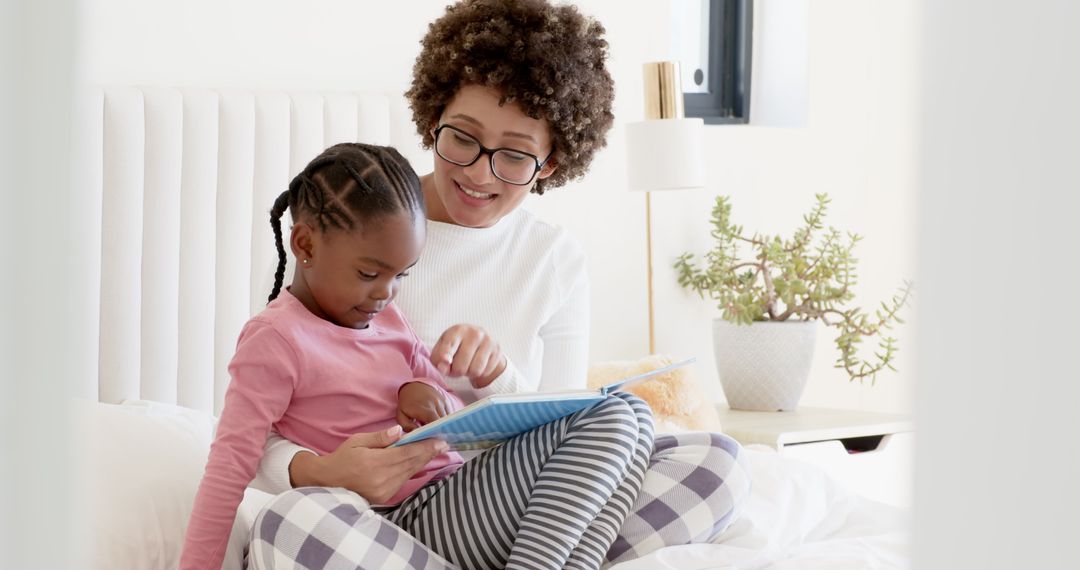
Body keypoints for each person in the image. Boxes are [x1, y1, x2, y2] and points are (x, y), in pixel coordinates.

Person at [251, 0, 751, 567]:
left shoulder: (554, 259)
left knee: (715, 462)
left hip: (504, 509)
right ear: (433, 118)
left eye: (514, 155)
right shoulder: (350, 229)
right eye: (462, 138)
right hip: (367, 516)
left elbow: (573, 431)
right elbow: (254, 435)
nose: (478, 172)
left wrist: (496, 378)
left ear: (551, 163)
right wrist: (322, 470)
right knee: (290, 521)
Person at [180, 143, 655, 570]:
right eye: (369, 274)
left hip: (453, 499)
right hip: (381, 523)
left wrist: (426, 391)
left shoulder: (387, 317)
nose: (386, 293)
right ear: (305, 244)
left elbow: (448, 410)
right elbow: (229, 466)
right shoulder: (275, 339)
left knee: (629, 411)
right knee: (290, 519)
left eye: (401, 275)